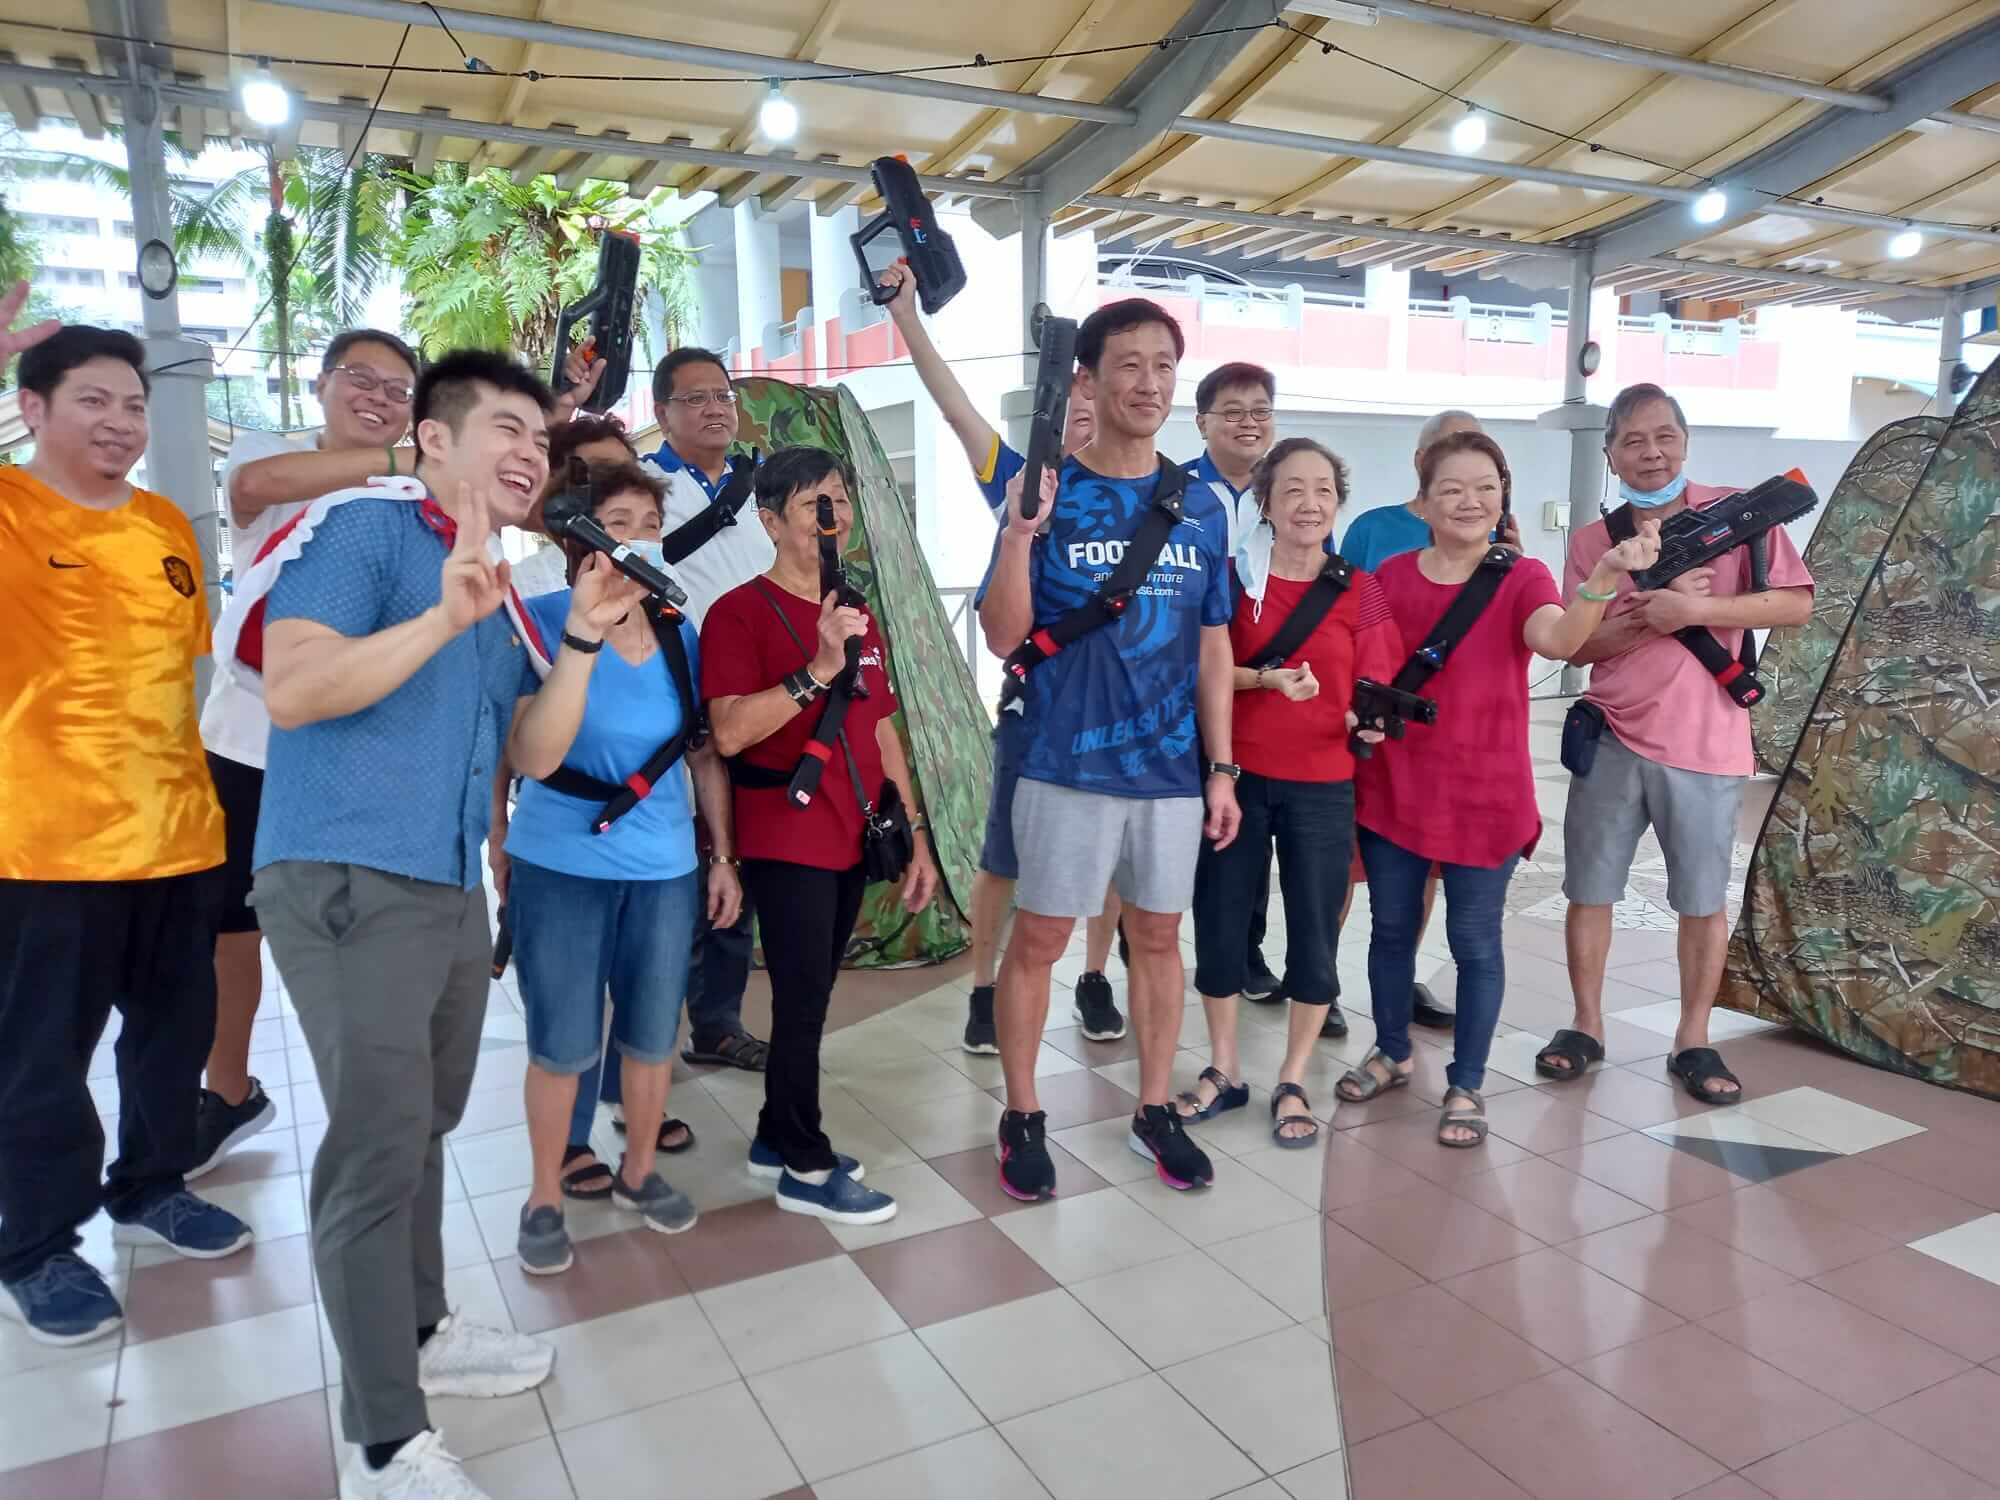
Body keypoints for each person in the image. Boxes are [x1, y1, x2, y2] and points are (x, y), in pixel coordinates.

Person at [250, 350, 647, 1500]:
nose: (531, 453)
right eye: (506, 431)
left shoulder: (495, 587)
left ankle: (422, 1327)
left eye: (540, 437)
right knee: (374, 1147)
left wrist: (575, 638)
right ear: (433, 441)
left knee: (418, 1123)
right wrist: (439, 618)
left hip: (440, 886)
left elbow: (530, 755)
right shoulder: (364, 534)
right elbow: (293, 686)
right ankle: (379, 1441)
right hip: (339, 874)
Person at [1, 323, 254, 1346]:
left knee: (170, 1036)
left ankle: (151, 1183)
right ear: (34, 409)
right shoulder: (10, 512)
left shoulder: (162, 526)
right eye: (93, 401)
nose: (120, 422)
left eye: (133, 404)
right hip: (44, 846)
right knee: (39, 1057)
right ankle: (35, 1244)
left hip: (179, 834)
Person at [981, 298, 1242, 1200]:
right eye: (1129, 364)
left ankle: (1155, 1106)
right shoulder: (1045, 491)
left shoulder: (1200, 504)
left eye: (1164, 364)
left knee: (1160, 938)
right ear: (1085, 379)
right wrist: (1021, 533)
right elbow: (1003, 636)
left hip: (1170, 773)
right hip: (1064, 762)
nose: (1150, 382)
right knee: (1043, 939)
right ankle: (1021, 1112)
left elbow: (1216, 645)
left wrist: (1221, 768)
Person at [1334, 432, 1658, 1148]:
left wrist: (1602, 577)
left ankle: (1467, 1081)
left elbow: (1560, 638)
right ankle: (1391, 1048)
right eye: (1452, 488)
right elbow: (1368, 664)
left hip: (1485, 793)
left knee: (1474, 941)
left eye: (1485, 487)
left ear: (1502, 495)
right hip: (1398, 787)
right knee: (1391, 931)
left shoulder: (1521, 576)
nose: (1470, 501)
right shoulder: (1388, 575)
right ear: (1425, 497)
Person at [498, 459, 741, 1273]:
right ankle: (542, 1196)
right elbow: (527, 757)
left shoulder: (679, 629)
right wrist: (584, 634)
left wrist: (722, 857)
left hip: (663, 862)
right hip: (560, 861)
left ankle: (639, 1171)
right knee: (563, 1038)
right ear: (580, 537)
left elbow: (702, 754)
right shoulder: (537, 621)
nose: (638, 540)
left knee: (649, 1031)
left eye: (648, 524)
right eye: (620, 522)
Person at [193, 327, 422, 1178]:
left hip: (355, 750)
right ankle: (226, 1091)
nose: (377, 396)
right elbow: (258, 487)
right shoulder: (267, 452)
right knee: (231, 927)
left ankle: (371, 1113)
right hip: (248, 743)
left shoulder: (409, 497)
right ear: (321, 385)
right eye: (361, 378)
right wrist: (402, 458)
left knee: (358, 932)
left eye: (398, 388)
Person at [878, 261, 1123, 1054]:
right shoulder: (1023, 483)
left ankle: (1093, 977)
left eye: (1096, 411)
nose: (1082, 424)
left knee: (1114, 861)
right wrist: (909, 317)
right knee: (1004, 857)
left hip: (1123, 712)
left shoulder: (1152, 495)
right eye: (1070, 413)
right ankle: (983, 991)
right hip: (1037, 706)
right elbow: (952, 409)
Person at [1545, 383, 1813, 1104]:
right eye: (1632, 440)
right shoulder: (1591, 544)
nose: (1650, 451)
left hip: (1706, 740)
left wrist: (1697, 608)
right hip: (1609, 733)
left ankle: (1693, 1039)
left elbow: (1795, 603)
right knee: (1589, 890)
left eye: (1663, 435)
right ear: (1609, 455)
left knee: (1700, 899)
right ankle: (1586, 1024)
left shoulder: (1745, 516)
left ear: (1686, 440)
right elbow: (1576, 646)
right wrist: (1645, 617)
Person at [703, 447, 941, 1224]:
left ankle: (775, 1135)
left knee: (817, 993)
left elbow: (882, 729)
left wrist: (915, 832)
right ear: (770, 522)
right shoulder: (737, 612)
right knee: (802, 1005)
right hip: (785, 831)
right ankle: (805, 1165)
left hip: (855, 830)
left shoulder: (854, 605)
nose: (833, 517)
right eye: (815, 505)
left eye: (840, 501)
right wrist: (816, 666)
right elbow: (731, 733)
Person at [1183, 439, 1403, 1147]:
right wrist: (1266, 681)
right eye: (1293, 491)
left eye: (1323, 491)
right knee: (1219, 923)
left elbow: (1374, 689)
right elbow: (1202, 673)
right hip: (1234, 777)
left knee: (1314, 931)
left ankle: (1294, 1078)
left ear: (1337, 503)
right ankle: (1223, 1068)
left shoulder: (1359, 589)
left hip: (1322, 784)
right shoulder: (1230, 580)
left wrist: (1359, 721)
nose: (1310, 504)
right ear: (1266, 505)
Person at [1331, 409, 1503, 1033]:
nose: (1464, 491)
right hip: (1374, 729)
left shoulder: (1501, 549)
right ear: (1422, 465)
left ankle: (1400, 991)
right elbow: (1336, 609)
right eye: (1445, 461)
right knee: (1345, 868)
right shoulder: (1374, 530)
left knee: (1425, 870)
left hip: (1454, 743)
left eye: (1475, 465)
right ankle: (1320, 984)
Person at [642, 347, 774, 1076]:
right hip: (678, 701)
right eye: (695, 398)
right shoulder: (647, 487)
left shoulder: (758, 489)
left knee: (736, 858)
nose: (716, 408)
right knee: (686, 865)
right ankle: (651, 1028)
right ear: (661, 412)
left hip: (757, 703)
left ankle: (717, 1021)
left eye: (721, 395)